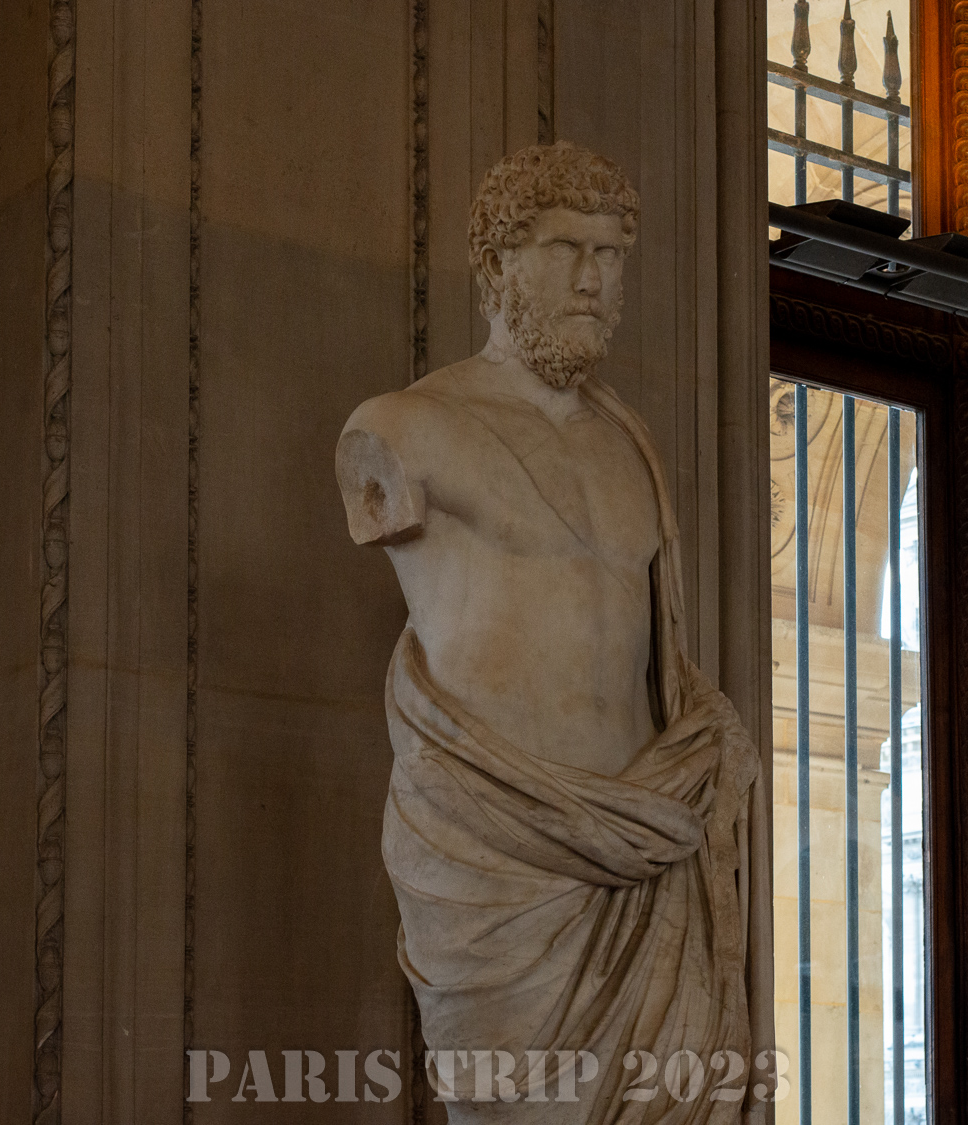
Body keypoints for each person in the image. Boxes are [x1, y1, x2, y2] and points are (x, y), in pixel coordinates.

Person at [335, 141, 758, 1122]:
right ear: (496, 263)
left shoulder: (630, 445)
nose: (592, 280)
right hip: (497, 862)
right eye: (566, 249)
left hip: (648, 846)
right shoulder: (403, 429)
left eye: (610, 256)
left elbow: (660, 662)